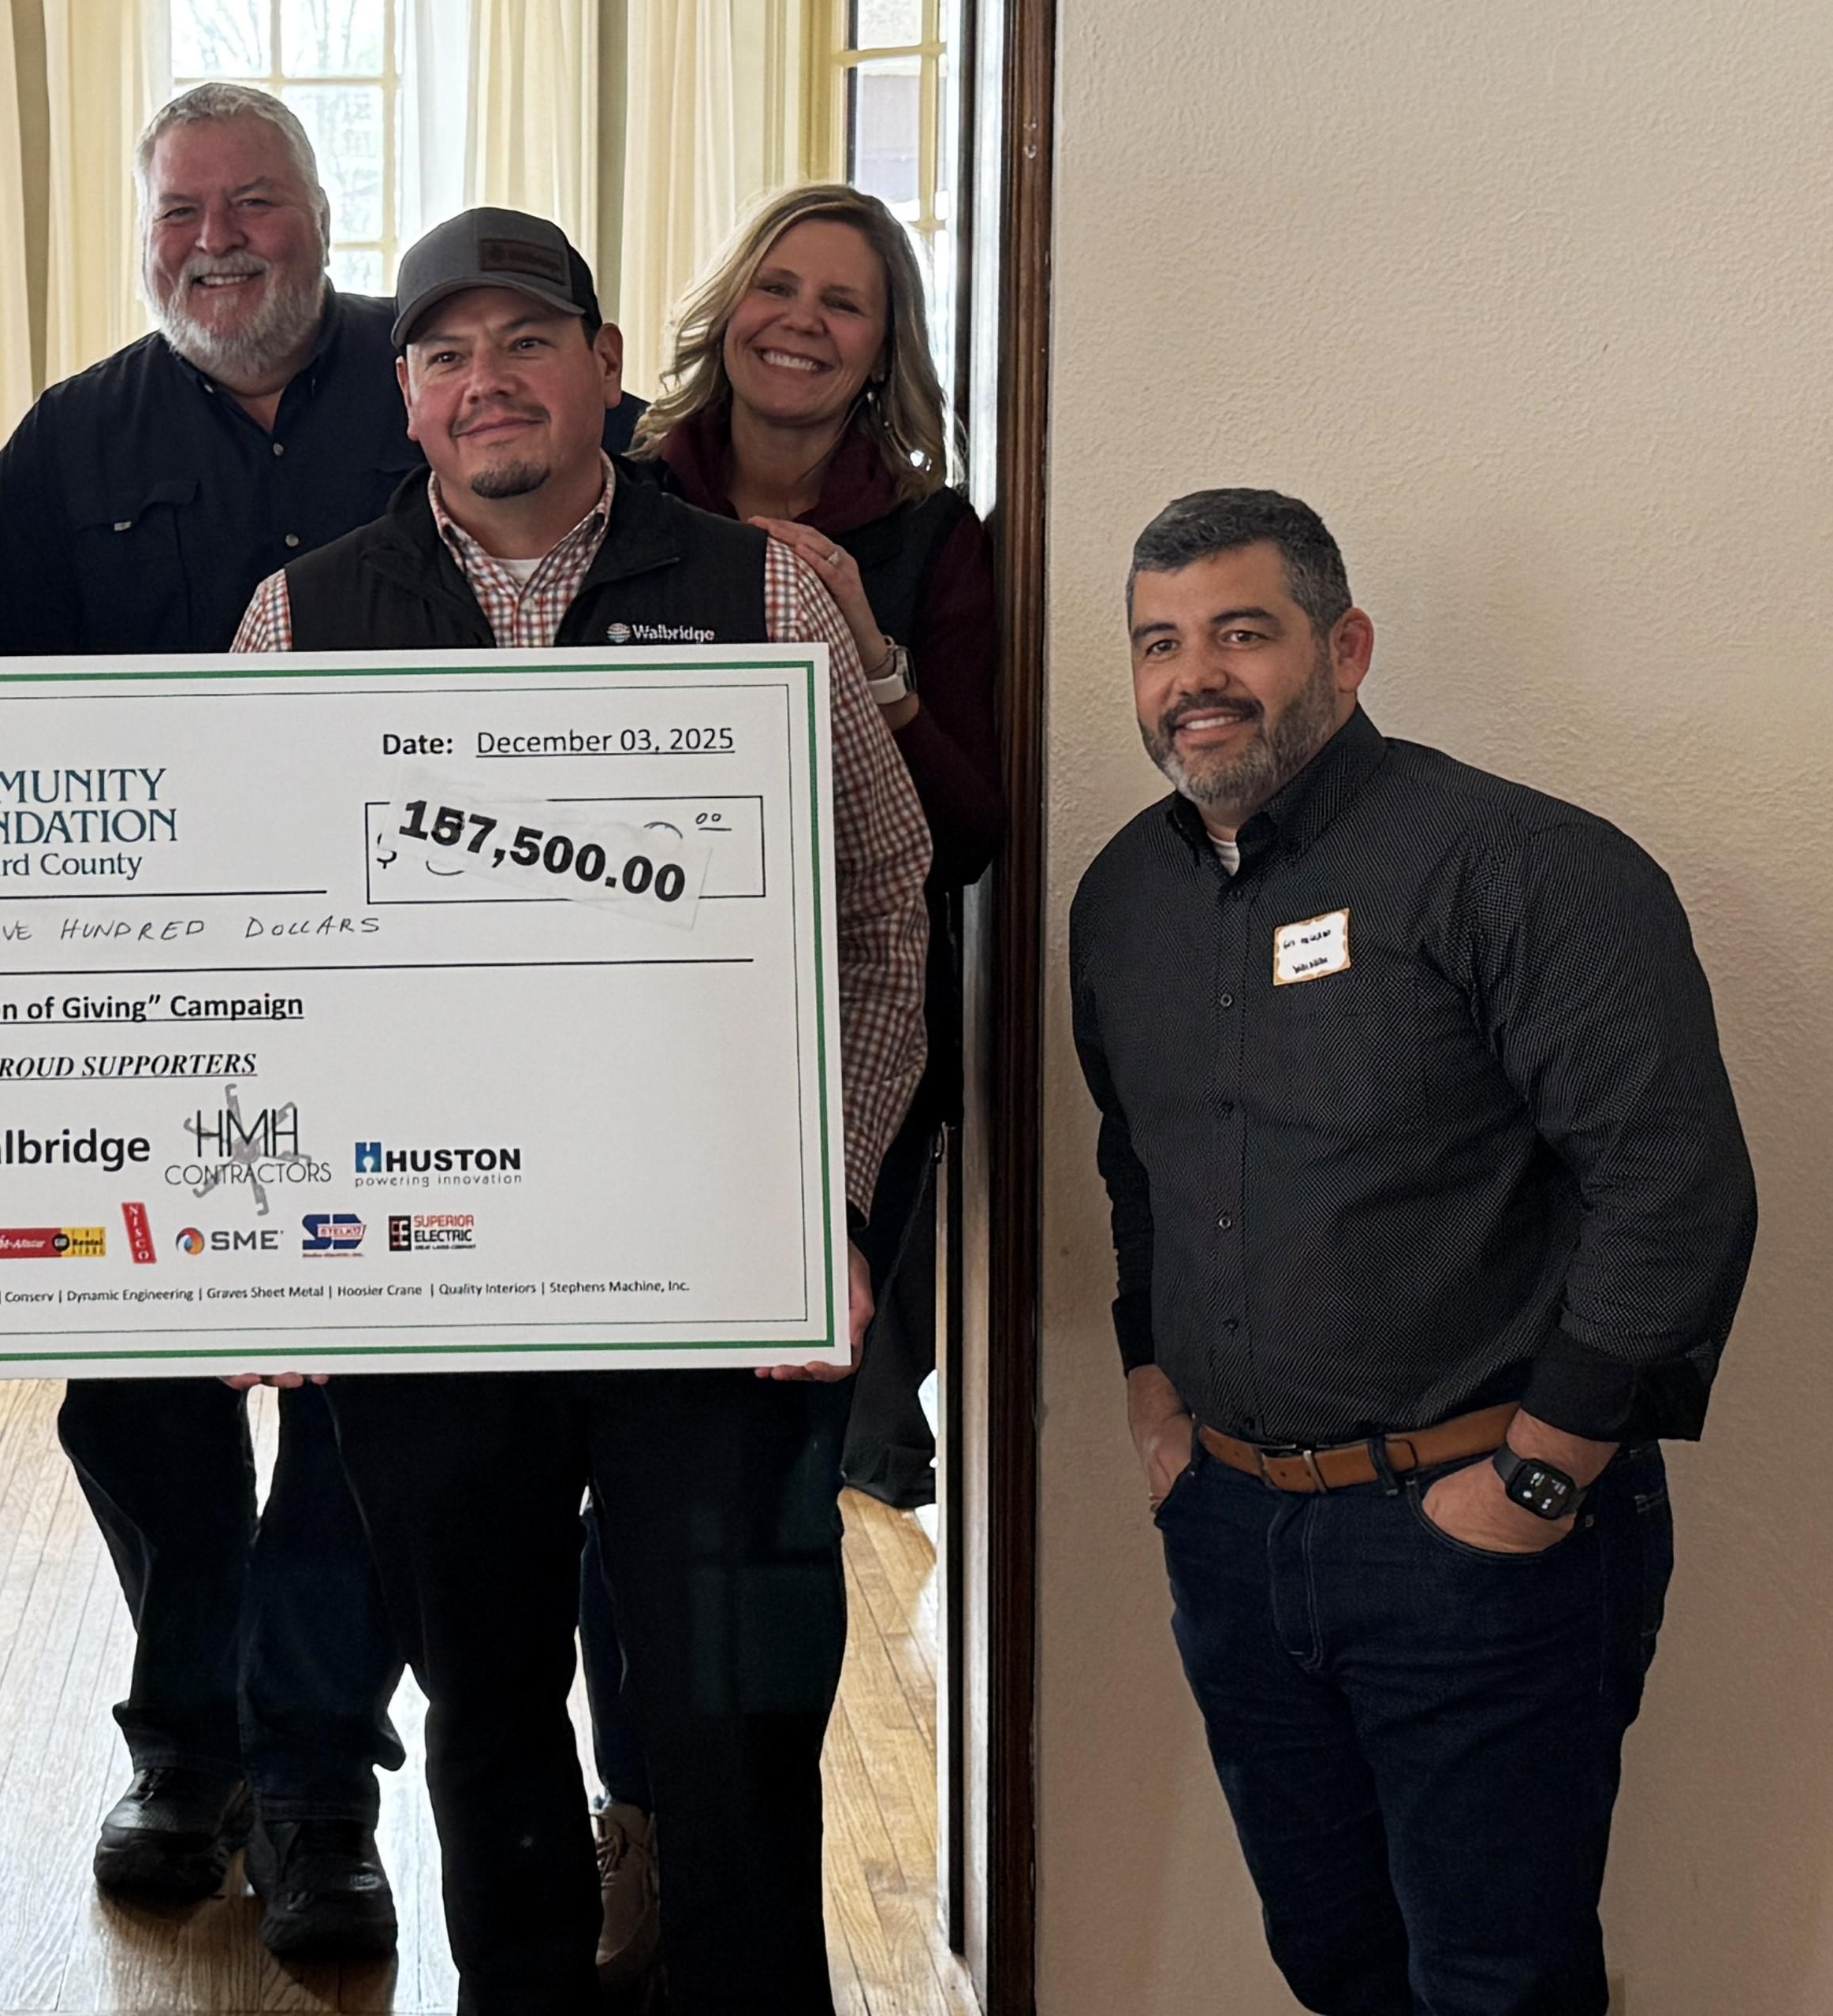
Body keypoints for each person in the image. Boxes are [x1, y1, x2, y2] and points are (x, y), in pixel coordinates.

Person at [229, 207, 932, 2016]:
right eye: (445, 355)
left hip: (716, 1292)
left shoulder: (764, 594)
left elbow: (879, 915)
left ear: (604, 370)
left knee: (733, 1717)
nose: (487, 382)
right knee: (482, 1711)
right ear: (404, 398)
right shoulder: (298, 622)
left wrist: (830, 1207)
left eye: (525, 342)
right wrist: (259, 1249)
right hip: (429, 1286)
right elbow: (241, 965)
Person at [1071, 490, 1755, 2016]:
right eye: (1158, 643)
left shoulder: (1515, 864)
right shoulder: (1120, 898)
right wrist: (1151, 1394)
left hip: (1475, 1536)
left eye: (1240, 632)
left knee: (1495, 1980)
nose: (1195, 677)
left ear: (1345, 649)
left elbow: (1673, 1188)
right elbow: (1138, 1165)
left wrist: (1537, 1478)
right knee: (1333, 1959)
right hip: (1233, 1532)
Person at [0, 83, 419, 1958]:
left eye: (253, 202)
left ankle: (315, 1779)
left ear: (320, 211)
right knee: (136, 1399)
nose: (215, 240)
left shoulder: (431, 381)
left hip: (397, 1002)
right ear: (140, 235)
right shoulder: (68, 442)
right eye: (178, 212)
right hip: (134, 1019)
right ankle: (185, 1741)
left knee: (366, 1408)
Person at [580, 179, 1004, 1985]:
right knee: (608, 1487)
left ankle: (747, 1863)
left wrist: (868, 657)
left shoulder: (929, 542)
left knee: (765, 1491)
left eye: (844, 300)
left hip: (835, 1079)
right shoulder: (619, 490)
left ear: (881, 345)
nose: (801, 322)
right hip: (610, 1074)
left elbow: (967, 833)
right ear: (725, 306)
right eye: (777, 285)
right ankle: (635, 1831)